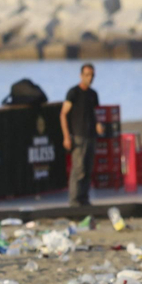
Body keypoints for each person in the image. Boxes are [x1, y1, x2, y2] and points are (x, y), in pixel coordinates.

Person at [61, 63, 105, 207]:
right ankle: (74, 201)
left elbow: (94, 112)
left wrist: (98, 124)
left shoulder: (93, 94)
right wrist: (66, 136)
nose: (89, 78)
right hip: (78, 135)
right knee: (78, 169)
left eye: (92, 75)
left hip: (91, 135)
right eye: (87, 75)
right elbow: (63, 114)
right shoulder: (73, 92)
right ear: (81, 76)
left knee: (87, 169)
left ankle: (84, 199)